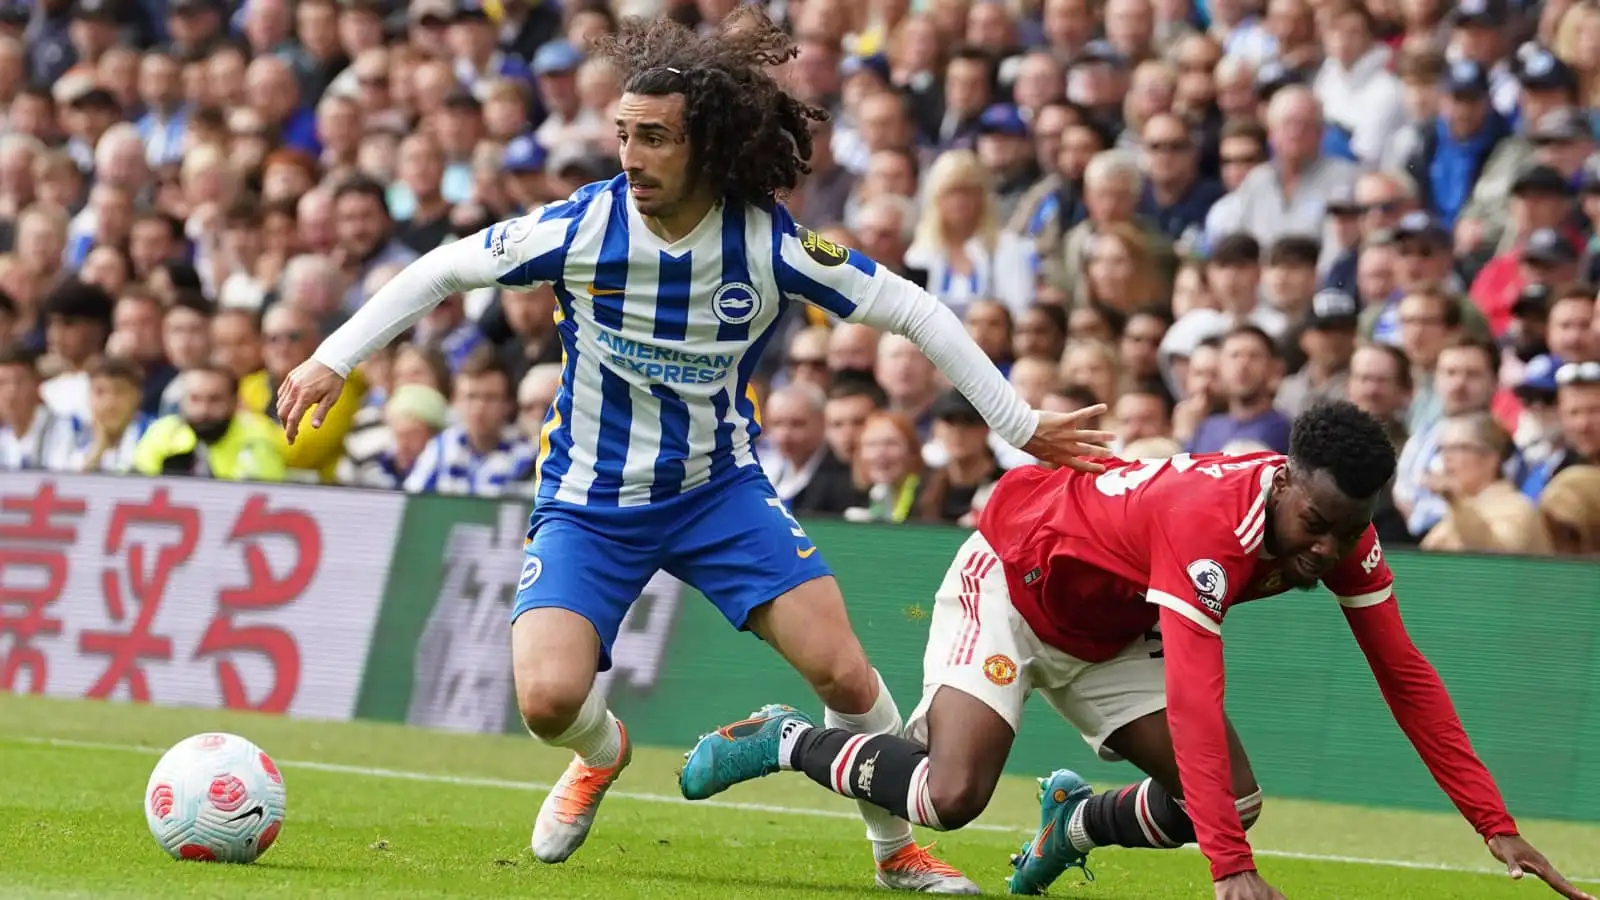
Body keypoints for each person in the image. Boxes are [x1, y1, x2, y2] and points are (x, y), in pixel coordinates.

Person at [272, 9, 1110, 892]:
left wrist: (1017, 422)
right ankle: (602, 751)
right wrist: (335, 358)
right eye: (623, 135)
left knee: (842, 668)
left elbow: (911, 306)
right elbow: (442, 268)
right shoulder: (581, 229)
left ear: (704, 145)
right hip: (591, 503)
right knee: (549, 702)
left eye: (654, 138)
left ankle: (895, 851)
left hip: (721, 493)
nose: (631, 156)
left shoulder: (766, 241)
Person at [680, 401, 1589, 900]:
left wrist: (1493, 823)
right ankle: (785, 737)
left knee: (1230, 799)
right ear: (1284, 483)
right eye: (1314, 524)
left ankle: (1069, 825)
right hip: (1011, 582)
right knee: (950, 796)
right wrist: (1231, 873)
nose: (1325, 551)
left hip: (1114, 624)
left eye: (1347, 531)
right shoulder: (1211, 521)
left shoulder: (1342, 534)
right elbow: (1195, 691)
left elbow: (1406, 675)